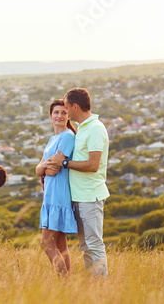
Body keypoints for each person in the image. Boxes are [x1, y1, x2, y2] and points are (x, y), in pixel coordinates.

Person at [46, 88, 110, 277]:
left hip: (90, 196)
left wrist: (64, 163)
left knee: (94, 244)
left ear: (75, 106)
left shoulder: (96, 128)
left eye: (66, 108)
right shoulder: (83, 128)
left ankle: (100, 287)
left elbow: (93, 165)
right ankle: (93, 284)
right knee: (85, 246)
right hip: (79, 196)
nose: (65, 112)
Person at [35, 99, 77, 275]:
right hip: (51, 194)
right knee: (60, 244)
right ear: (50, 115)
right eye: (56, 112)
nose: (59, 116)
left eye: (63, 112)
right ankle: (68, 286)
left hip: (59, 193)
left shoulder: (68, 136)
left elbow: (51, 171)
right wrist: (43, 168)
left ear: (69, 116)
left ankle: (64, 280)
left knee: (46, 243)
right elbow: (40, 169)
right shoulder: (53, 139)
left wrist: (43, 168)